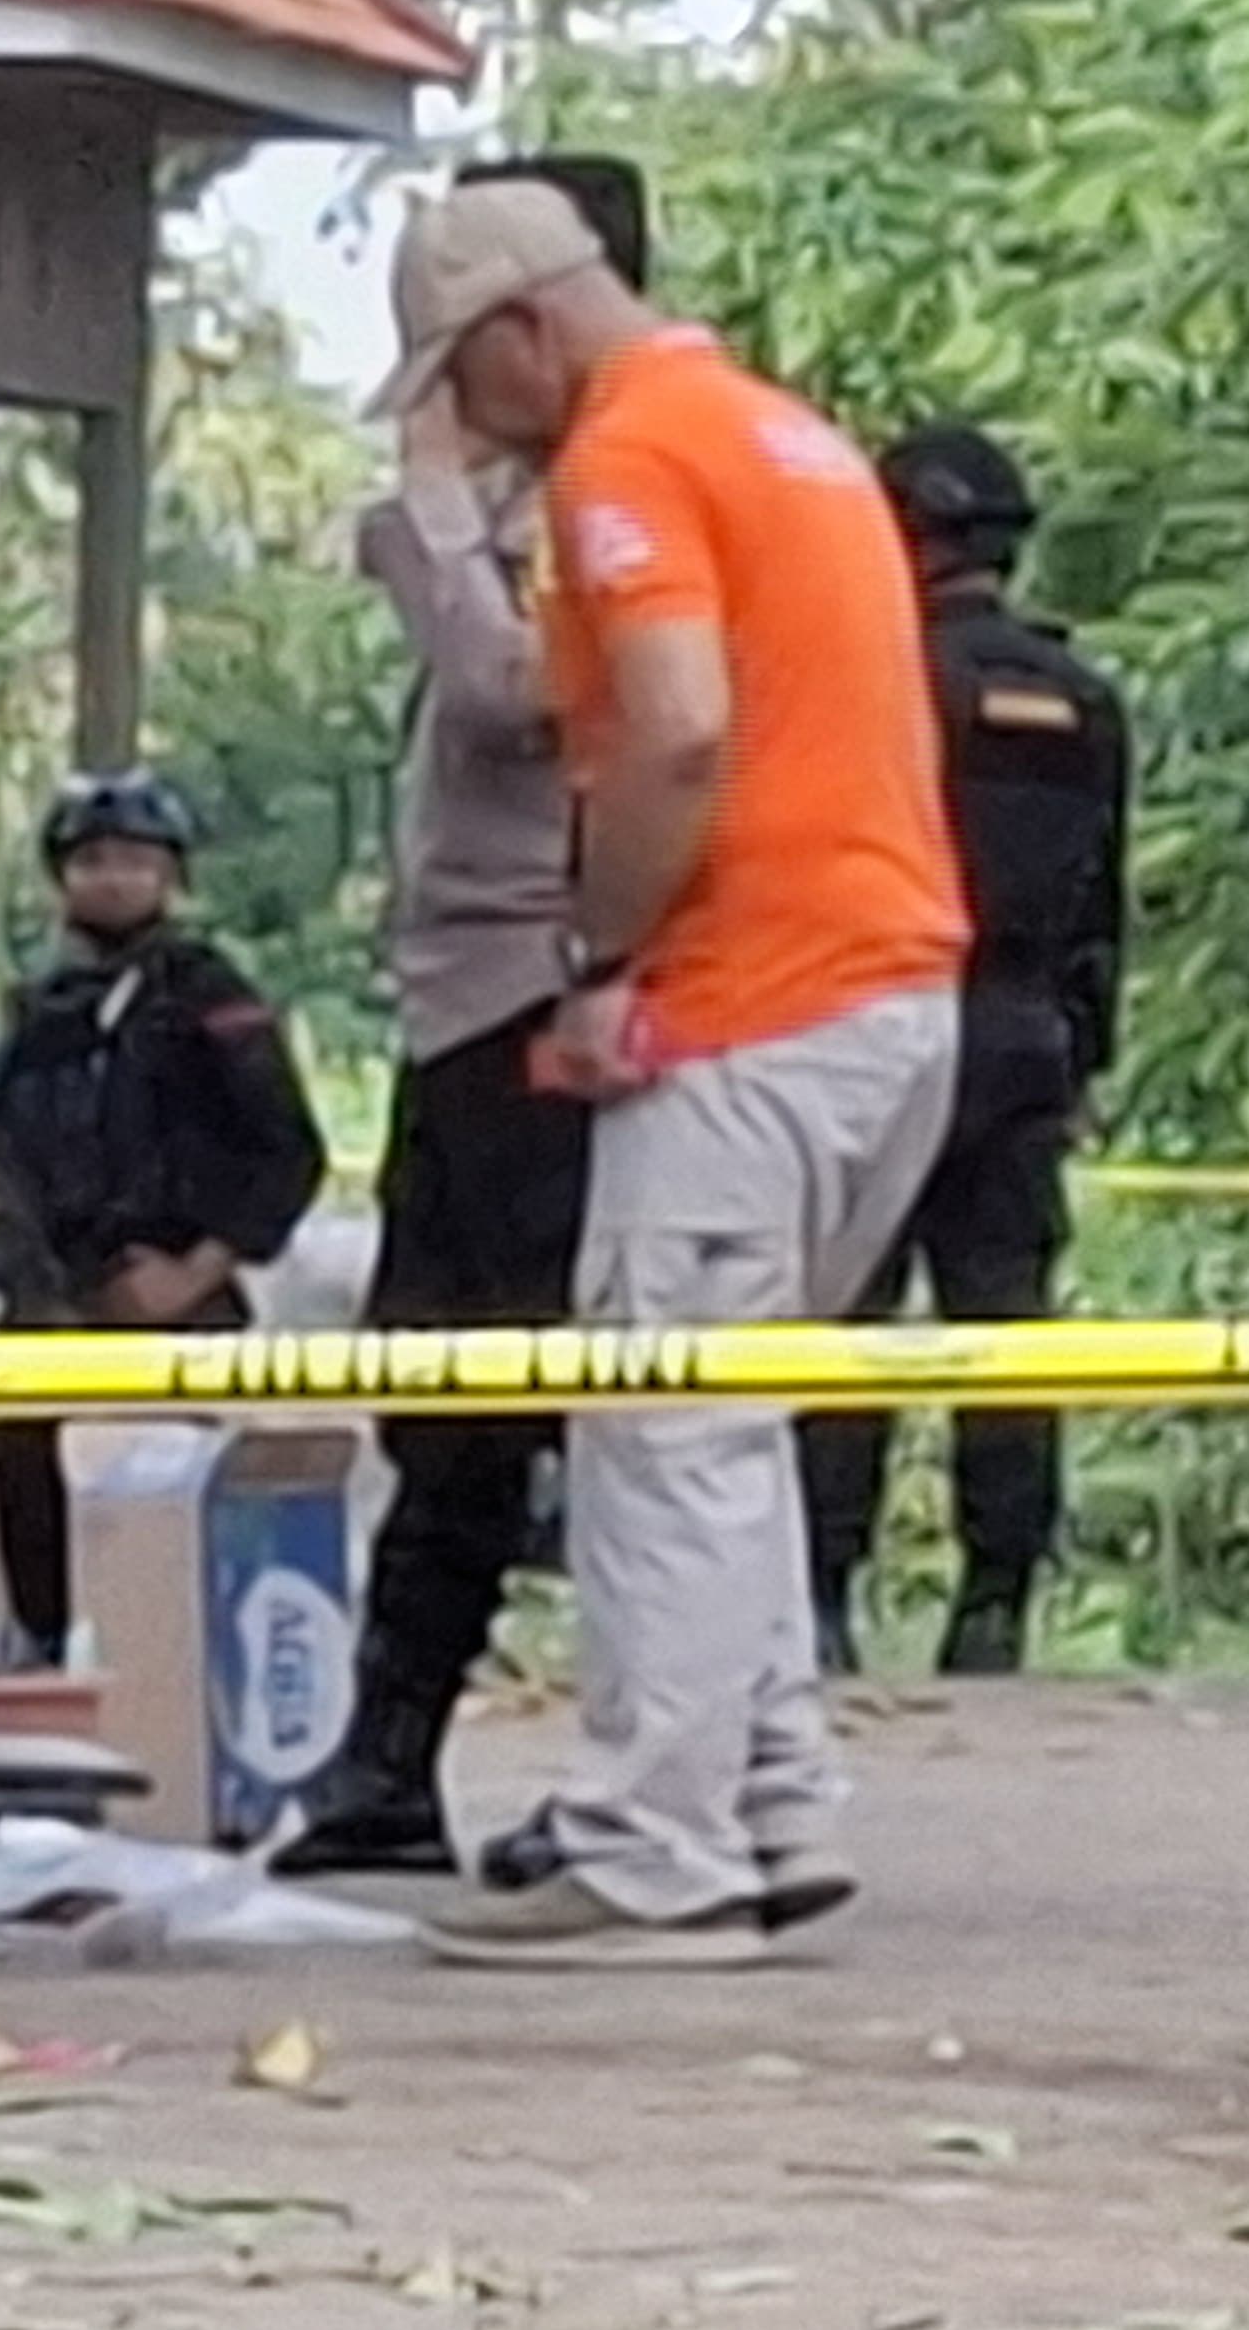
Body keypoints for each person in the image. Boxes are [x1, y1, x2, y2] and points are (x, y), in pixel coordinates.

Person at [370, 171, 969, 1971]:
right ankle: (769, 1800)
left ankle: (660, 1849)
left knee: (655, 1429)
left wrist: (599, 957)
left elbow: (680, 727)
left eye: (457, 380)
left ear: (522, 333)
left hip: (748, 1005)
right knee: (734, 1419)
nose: (461, 427)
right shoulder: (786, 434)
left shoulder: (630, 460)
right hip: (887, 994)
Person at [272, 163, 634, 1876]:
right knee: (442, 1398)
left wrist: (430, 514)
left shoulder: (613, 499)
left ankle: (648, 1785)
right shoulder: (540, 496)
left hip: (549, 998)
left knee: (560, 1405)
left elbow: (513, 701)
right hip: (466, 1001)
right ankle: (390, 1761)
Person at [797, 424, 1132, 1678]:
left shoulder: (881, 681)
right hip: (1027, 1038)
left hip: (888, 1025)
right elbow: (1107, 903)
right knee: (1005, 1323)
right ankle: (996, 1602)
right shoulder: (1081, 698)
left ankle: (826, 1595)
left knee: (849, 1319)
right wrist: (1082, 1058)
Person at [0, 770, 329, 1661]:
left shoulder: (206, 993)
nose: (113, 879)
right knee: (22, 1456)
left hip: (168, 1299)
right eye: (92, 860)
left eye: (136, 859)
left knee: (162, 1504)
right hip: (52, 1300)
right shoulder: (47, 1011)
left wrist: (192, 1272)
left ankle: (173, 1670)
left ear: (172, 875)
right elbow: (13, 1150)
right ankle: (46, 1646)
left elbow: (287, 1152)